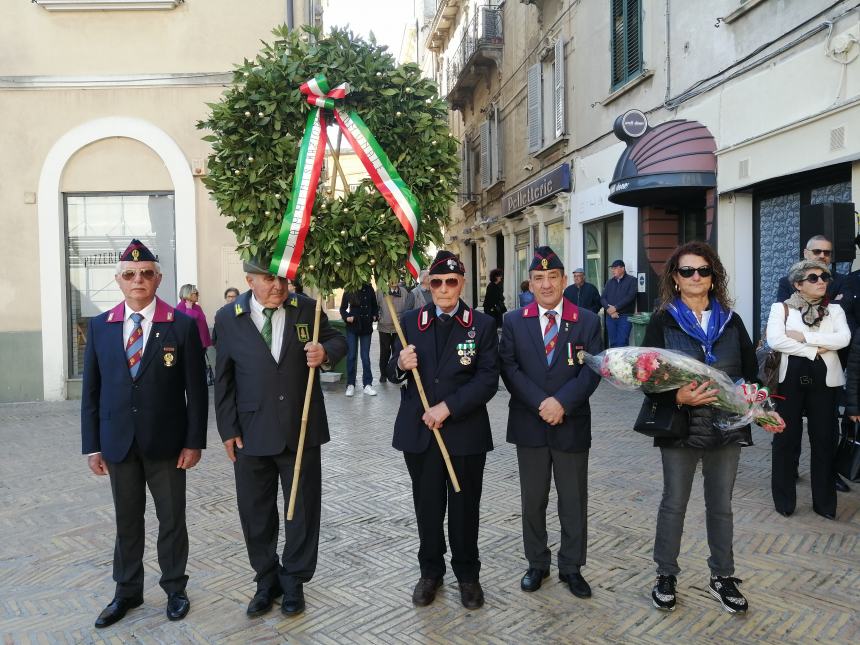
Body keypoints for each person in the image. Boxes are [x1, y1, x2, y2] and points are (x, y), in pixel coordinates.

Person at [642, 241, 776, 614]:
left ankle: (723, 576)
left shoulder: (732, 321)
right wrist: (678, 398)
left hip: (726, 427)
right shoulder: (663, 320)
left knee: (721, 506)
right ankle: (665, 574)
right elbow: (647, 378)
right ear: (675, 278)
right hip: (681, 425)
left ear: (714, 277)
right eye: (688, 271)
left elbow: (752, 373)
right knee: (674, 503)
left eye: (704, 270)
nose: (696, 277)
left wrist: (757, 404)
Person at [81, 239, 207, 628]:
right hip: (118, 443)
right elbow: (91, 392)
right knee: (127, 521)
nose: (139, 280)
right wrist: (92, 446)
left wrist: (194, 441)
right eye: (130, 274)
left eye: (147, 273)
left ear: (159, 279)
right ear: (118, 280)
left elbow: (197, 391)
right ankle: (127, 592)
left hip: (167, 444)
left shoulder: (180, 325)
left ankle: (174, 588)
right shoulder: (101, 327)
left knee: (172, 519)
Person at [213, 257, 347, 618]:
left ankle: (293, 581)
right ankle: (265, 579)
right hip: (250, 433)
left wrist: (326, 352)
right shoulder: (228, 317)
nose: (278, 287)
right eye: (269, 279)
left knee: (302, 510)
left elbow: (338, 340)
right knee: (255, 513)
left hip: (300, 429)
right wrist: (227, 430)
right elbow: (222, 379)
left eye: (284, 280)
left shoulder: (307, 309)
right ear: (249, 280)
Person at [387, 250, 499, 610]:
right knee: (428, 506)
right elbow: (392, 370)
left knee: (465, 508)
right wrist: (401, 364)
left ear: (462, 283)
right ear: (428, 285)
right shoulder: (409, 320)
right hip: (420, 434)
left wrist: (447, 407)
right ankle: (430, 572)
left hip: (464, 433)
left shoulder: (480, 325)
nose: (445, 288)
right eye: (437, 282)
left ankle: (467, 575)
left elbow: (487, 380)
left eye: (452, 282)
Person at [499, 247, 602, 600]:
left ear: (563, 280)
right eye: (539, 278)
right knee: (534, 500)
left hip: (571, 422)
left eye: (552, 277)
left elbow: (593, 371)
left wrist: (563, 403)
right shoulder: (514, 320)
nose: (546, 285)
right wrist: (541, 402)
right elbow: (509, 369)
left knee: (573, 500)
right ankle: (537, 563)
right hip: (530, 423)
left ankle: (572, 567)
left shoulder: (587, 320)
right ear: (531, 282)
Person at [766, 260, 850, 520]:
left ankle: (824, 504)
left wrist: (805, 338)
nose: (821, 281)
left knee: (824, 440)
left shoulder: (835, 310)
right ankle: (784, 501)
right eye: (813, 278)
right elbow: (776, 340)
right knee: (786, 440)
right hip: (790, 379)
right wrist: (817, 349)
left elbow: (843, 339)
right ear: (798, 285)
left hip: (825, 381)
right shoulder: (780, 309)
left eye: (824, 276)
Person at [339, 283, 379, 396]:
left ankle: (367, 384)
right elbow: (342, 308)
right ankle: (350, 384)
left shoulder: (369, 288)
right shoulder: (349, 288)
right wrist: (347, 317)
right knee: (351, 355)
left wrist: (375, 315)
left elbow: (374, 306)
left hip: (366, 326)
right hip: (353, 326)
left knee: (365, 356)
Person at [376, 281, 413, 384]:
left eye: (395, 278)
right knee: (385, 352)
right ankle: (383, 375)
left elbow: (407, 308)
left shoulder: (404, 292)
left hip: (398, 328)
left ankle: (394, 374)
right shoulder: (380, 291)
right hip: (384, 327)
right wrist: (379, 316)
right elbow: (376, 306)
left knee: (397, 351)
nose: (393, 280)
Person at [601, 260, 637, 347]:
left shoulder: (632, 280)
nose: (613, 271)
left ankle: (622, 361)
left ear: (622, 268)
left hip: (625, 316)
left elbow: (630, 297)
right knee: (613, 343)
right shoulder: (609, 282)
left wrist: (616, 308)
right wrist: (610, 310)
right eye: (612, 269)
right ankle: (614, 361)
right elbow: (602, 298)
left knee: (622, 342)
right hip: (610, 317)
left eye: (615, 268)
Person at [176, 284, 213, 350]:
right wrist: (189, 310)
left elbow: (202, 321)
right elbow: (186, 324)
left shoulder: (197, 307)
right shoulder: (180, 307)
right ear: (188, 294)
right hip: (191, 344)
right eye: (196, 293)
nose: (198, 295)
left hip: (201, 343)